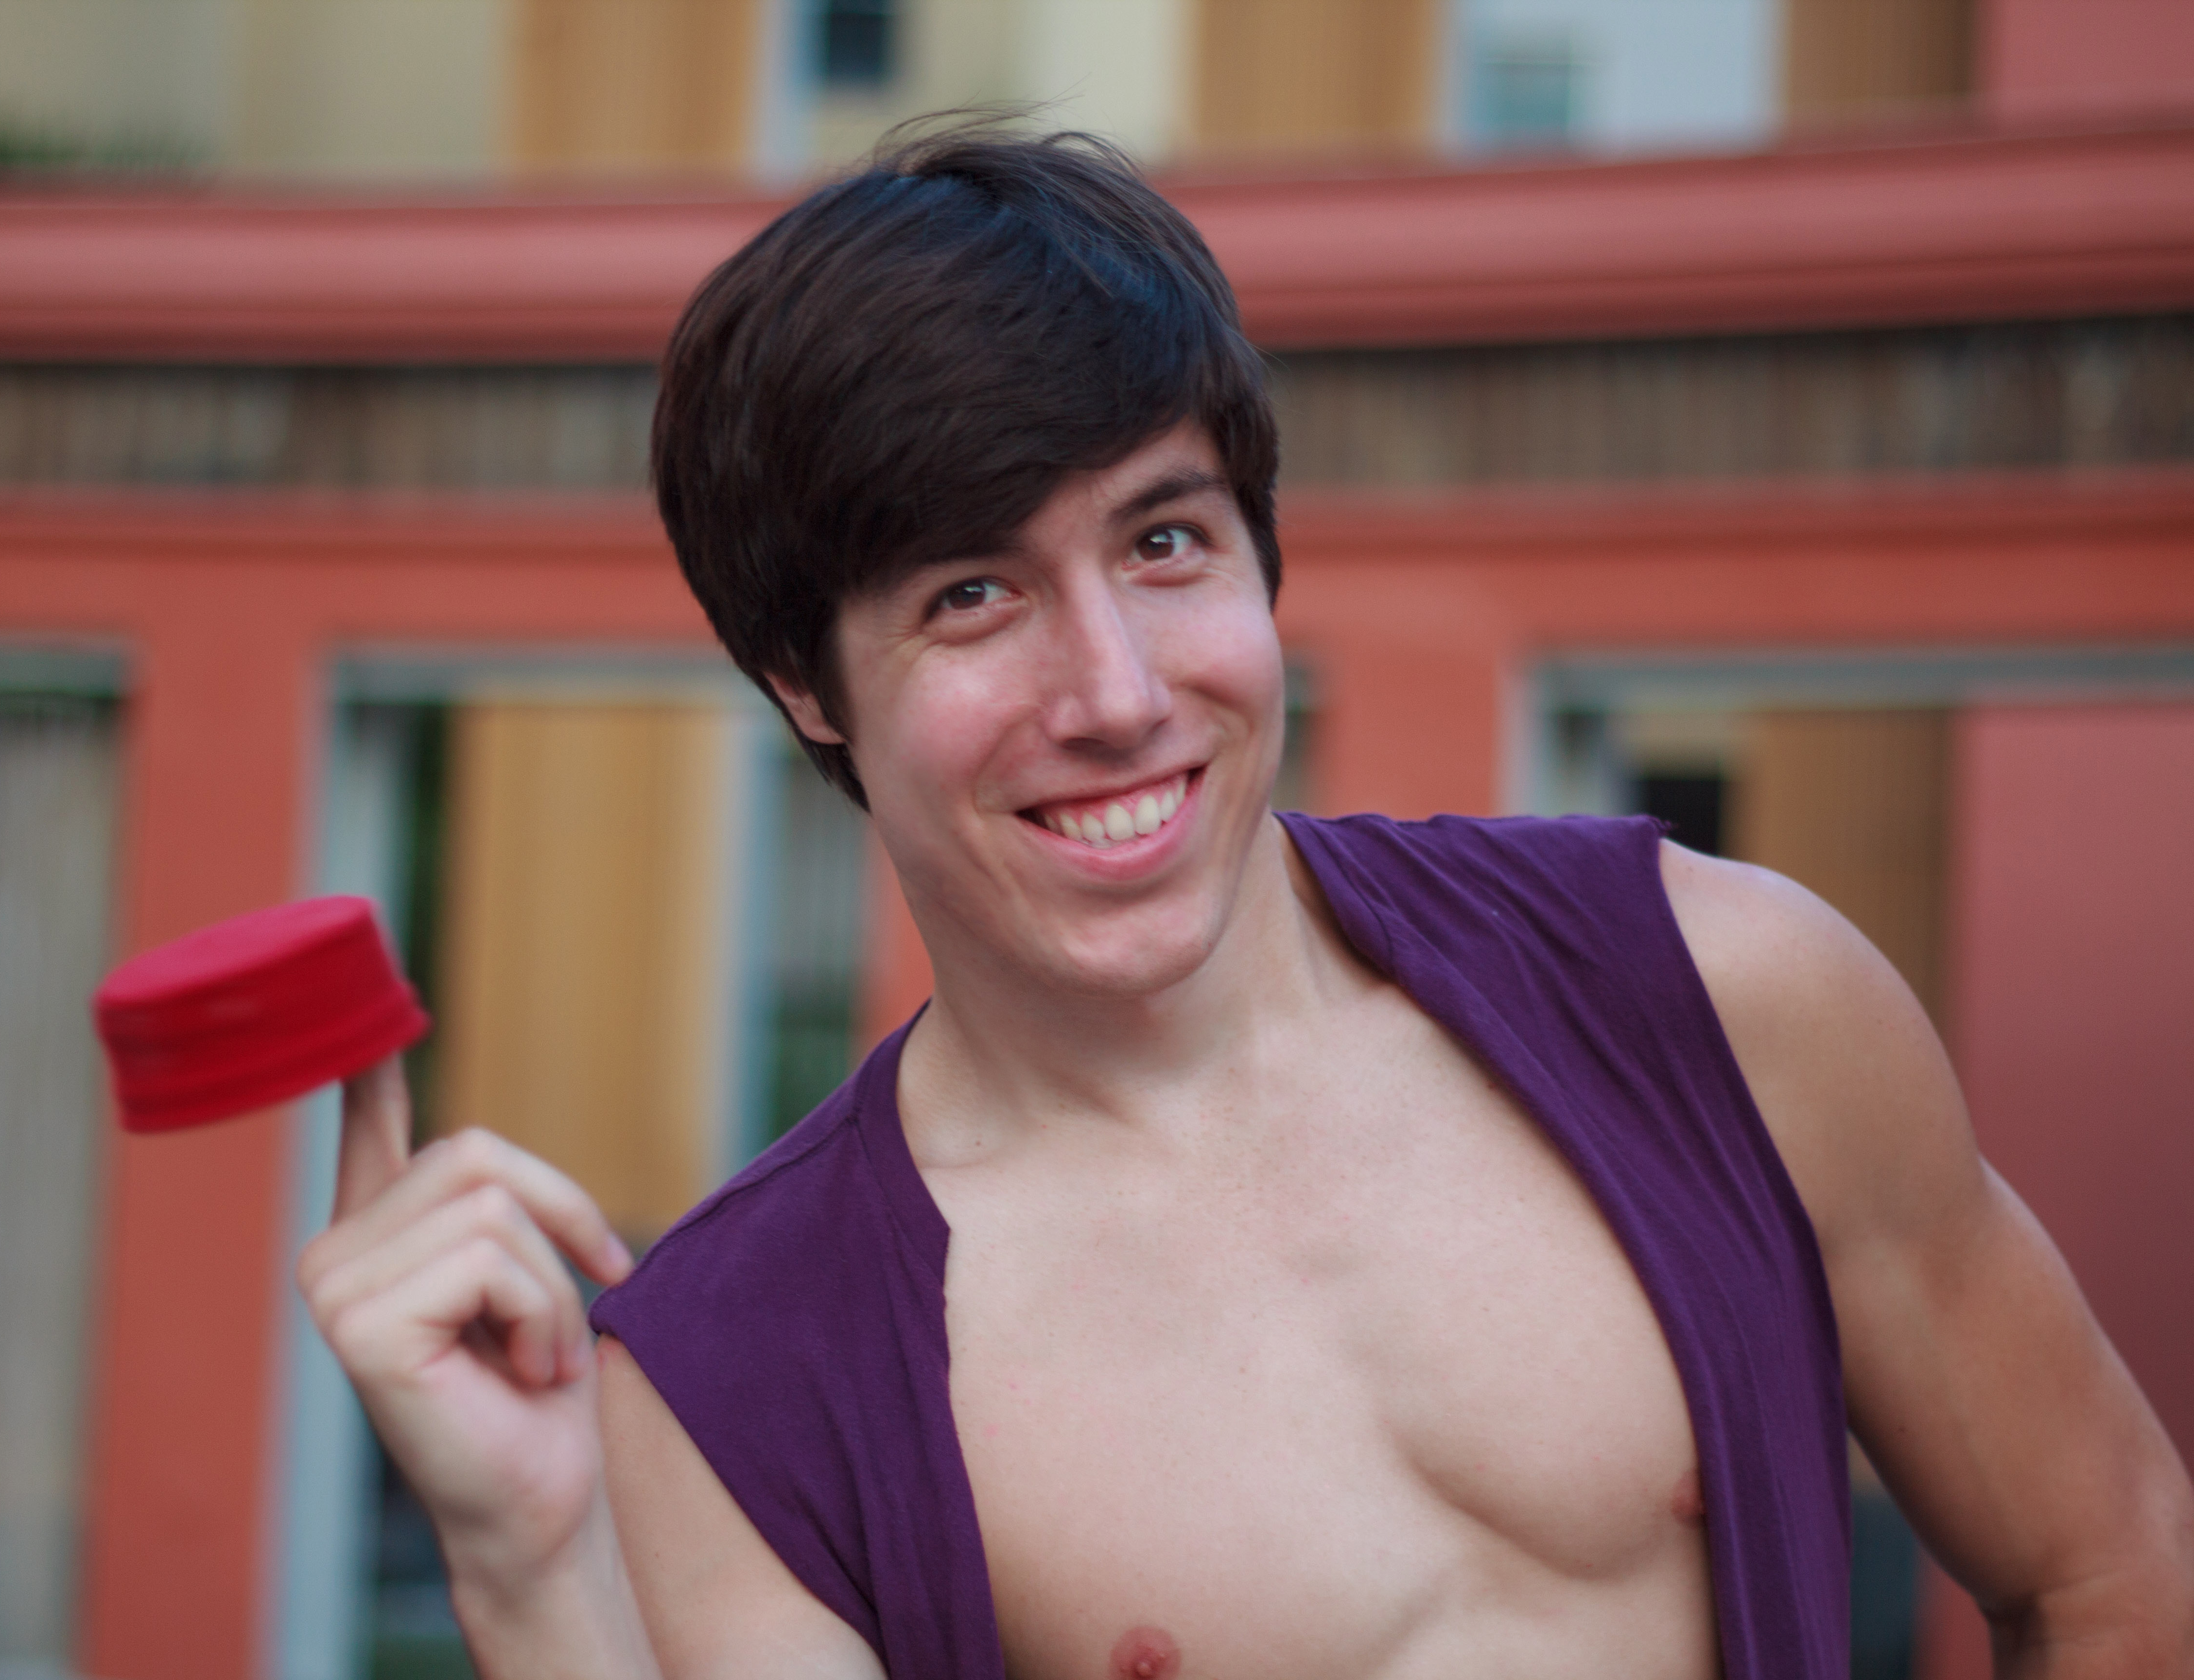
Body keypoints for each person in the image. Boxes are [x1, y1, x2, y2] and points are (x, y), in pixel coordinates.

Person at [298, 127, 2194, 1680]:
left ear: (1264, 555)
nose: (1118, 691)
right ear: (807, 683)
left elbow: (2112, 1566)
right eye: (973, 594)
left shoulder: (1718, 992)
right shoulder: (741, 1379)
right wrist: (534, 1578)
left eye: (1164, 541)